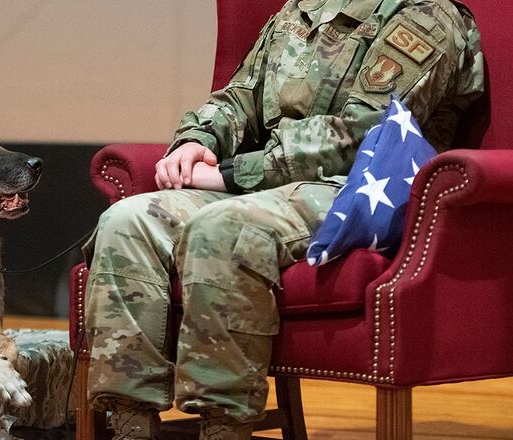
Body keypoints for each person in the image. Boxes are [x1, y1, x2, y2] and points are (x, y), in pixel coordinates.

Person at [84, 0, 484, 439]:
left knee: (224, 230)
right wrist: (196, 140)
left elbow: (364, 131)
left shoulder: (425, 15)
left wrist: (232, 173)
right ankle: (129, 422)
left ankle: (224, 426)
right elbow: (241, 96)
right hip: (266, 184)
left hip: (354, 187)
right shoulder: (303, 8)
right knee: (128, 220)